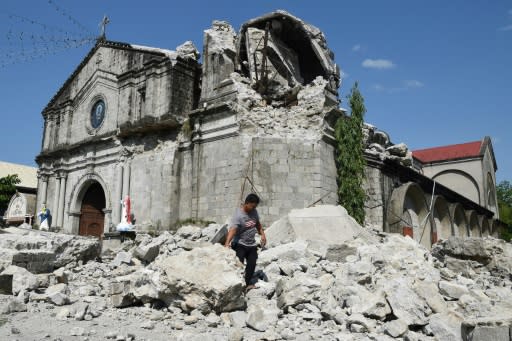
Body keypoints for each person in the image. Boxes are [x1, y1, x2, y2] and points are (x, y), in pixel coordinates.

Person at [225, 193, 267, 291]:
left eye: (255, 207)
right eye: (252, 206)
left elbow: (258, 224)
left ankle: (246, 285)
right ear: (247, 203)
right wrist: (227, 244)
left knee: (252, 264)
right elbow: (233, 230)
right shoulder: (238, 215)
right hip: (240, 243)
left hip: (251, 244)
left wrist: (263, 234)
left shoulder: (254, 212)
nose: (253, 209)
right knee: (238, 265)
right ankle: (234, 286)